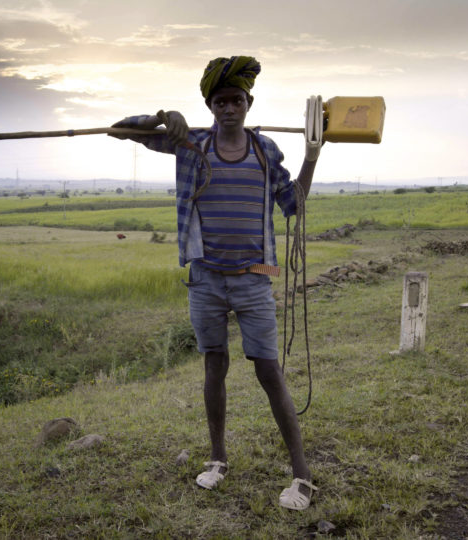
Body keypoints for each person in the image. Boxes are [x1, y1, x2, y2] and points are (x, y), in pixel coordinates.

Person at [110, 56, 323, 510]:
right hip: (205, 278)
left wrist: (311, 156)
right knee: (214, 365)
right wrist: (162, 119)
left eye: (237, 100)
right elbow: (120, 128)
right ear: (210, 105)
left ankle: (302, 476)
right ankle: (217, 459)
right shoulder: (189, 144)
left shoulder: (266, 151)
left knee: (268, 371)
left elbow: (295, 204)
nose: (229, 107)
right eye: (220, 100)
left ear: (248, 103)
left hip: (253, 281)